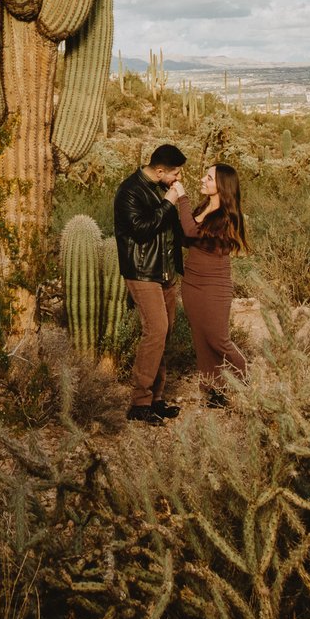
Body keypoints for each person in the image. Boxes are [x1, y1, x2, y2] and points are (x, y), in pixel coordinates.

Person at [113, 143, 189, 424]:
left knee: (164, 335)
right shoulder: (129, 191)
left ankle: (157, 399)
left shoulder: (158, 188)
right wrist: (169, 201)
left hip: (165, 272)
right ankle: (139, 403)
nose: (178, 179)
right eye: (176, 174)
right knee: (155, 331)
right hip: (143, 272)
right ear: (160, 171)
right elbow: (142, 230)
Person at [176, 162, 250, 404]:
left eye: (208, 177)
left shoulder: (226, 217)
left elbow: (188, 230)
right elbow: (187, 240)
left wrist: (181, 197)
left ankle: (245, 381)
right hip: (192, 282)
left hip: (214, 286)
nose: (202, 179)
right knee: (201, 337)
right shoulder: (204, 208)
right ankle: (214, 391)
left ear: (221, 185)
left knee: (218, 339)